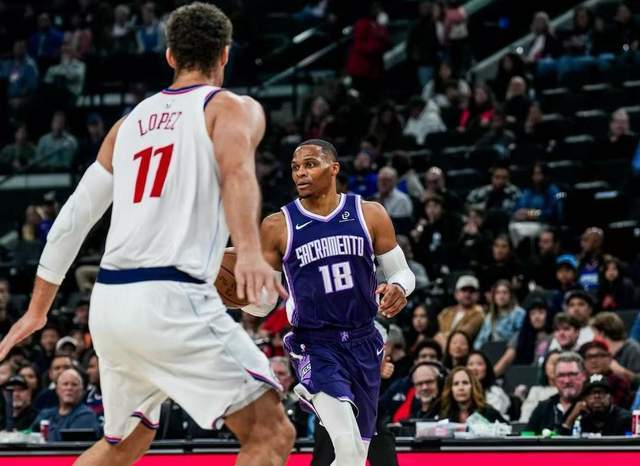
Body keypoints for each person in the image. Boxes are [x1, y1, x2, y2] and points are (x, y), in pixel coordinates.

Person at [0, 4, 294, 466]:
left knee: (125, 443)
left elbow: (72, 219)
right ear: (225, 54)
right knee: (271, 432)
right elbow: (237, 172)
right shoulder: (230, 108)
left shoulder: (126, 125)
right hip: (171, 298)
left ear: (170, 56)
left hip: (110, 305)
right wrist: (251, 252)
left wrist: (38, 310)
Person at [259, 138, 415, 465]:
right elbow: (261, 305)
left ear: (334, 168)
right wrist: (240, 295)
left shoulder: (369, 213)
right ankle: (312, 388)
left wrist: (399, 287)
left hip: (363, 340)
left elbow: (402, 272)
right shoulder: (277, 225)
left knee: (354, 457)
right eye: (295, 167)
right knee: (345, 445)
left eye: (310, 164)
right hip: (315, 343)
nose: (300, 173)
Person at [32, 368, 101, 441]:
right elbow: (29, 436)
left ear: (82, 391)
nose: (69, 388)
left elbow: (69, 444)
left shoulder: (86, 415)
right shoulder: (45, 414)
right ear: (57, 389)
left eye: (74, 385)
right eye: (65, 384)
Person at [526, 352, 586, 434]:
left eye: (572, 374)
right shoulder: (544, 407)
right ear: (554, 378)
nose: (567, 381)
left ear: (583, 376)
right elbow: (526, 436)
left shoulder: (593, 405)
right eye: (561, 375)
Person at [558, 373, 632, 436]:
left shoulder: (626, 419)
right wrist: (570, 419)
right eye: (591, 393)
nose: (597, 396)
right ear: (584, 398)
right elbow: (558, 444)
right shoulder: (580, 418)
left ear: (610, 397)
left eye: (601, 392)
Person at [494, 298, 553, 376]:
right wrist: (490, 377)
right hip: (522, 376)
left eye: (541, 313)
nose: (536, 317)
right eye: (532, 314)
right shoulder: (520, 335)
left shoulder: (554, 336)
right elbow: (506, 360)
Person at [439, 367, 506, 424]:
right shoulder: (444, 414)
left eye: (465, 383)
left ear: (473, 387)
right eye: (456, 384)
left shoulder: (488, 412)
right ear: (450, 389)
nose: (461, 388)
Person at [591, 312, 640, 387]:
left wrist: (622, 372)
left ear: (602, 333)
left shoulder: (633, 349)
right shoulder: (600, 350)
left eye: (594, 333)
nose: (593, 337)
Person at [474, 280, 525, 350]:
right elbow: (479, 340)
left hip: (510, 350)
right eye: (498, 293)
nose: (501, 296)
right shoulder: (489, 317)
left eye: (505, 292)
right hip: (490, 351)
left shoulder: (519, 313)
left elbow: (521, 336)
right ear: (494, 296)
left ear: (510, 295)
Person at [435, 275, 484, 348]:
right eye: (464, 290)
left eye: (471, 291)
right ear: (456, 293)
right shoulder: (445, 312)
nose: (467, 294)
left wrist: (441, 337)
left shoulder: (479, 313)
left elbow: (463, 334)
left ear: (477, 295)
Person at [580, 340, 631, 409]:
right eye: (589, 357)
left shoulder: (619, 383)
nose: (593, 361)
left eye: (598, 356)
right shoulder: (580, 382)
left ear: (609, 358)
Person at [519, 350, 561, 423]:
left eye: (558, 363)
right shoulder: (536, 391)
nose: (555, 366)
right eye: (552, 363)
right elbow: (525, 417)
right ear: (544, 366)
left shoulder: (568, 392)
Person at [466, 351, 510, 416]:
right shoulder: (461, 391)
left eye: (479, 364)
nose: (474, 368)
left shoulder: (495, 392)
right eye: (470, 364)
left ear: (487, 368)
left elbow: (493, 417)